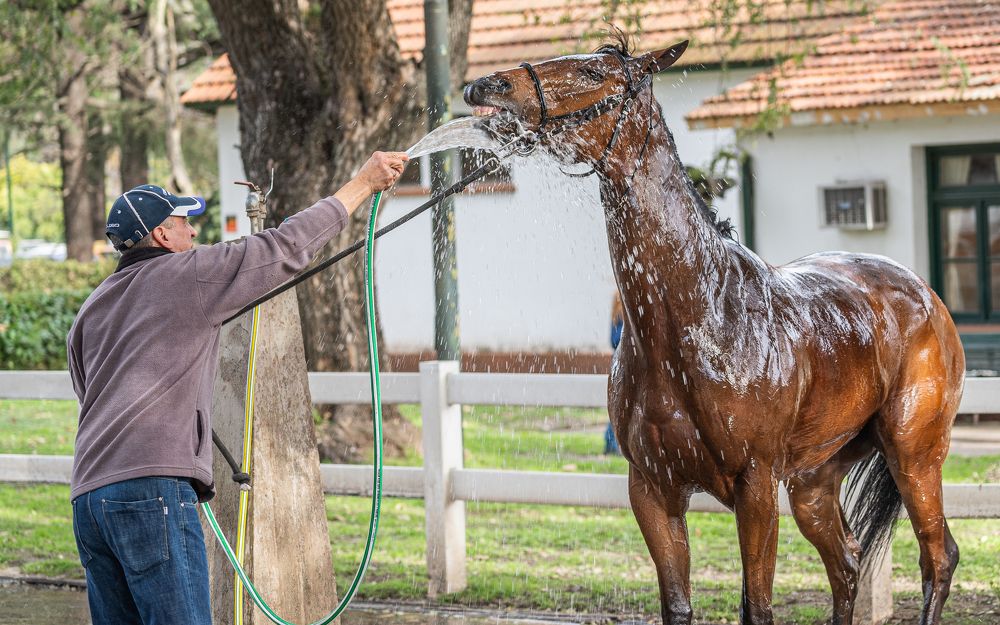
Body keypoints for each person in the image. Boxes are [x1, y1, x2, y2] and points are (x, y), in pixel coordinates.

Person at [67, 151, 408, 625]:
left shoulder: (92, 308)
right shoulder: (189, 275)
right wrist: (363, 184)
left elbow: (92, 393)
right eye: (184, 223)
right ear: (161, 235)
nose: (193, 233)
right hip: (153, 492)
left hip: (88, 501)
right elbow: (285, 245)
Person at [604, 292, 624, 455]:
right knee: (620, 406)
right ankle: (612, 442)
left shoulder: (617, 317)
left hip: (618, 364)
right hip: (622, 365)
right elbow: (615, 341)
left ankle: (611, 442)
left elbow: (613, 341)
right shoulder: (622, 318)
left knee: (618, 405)